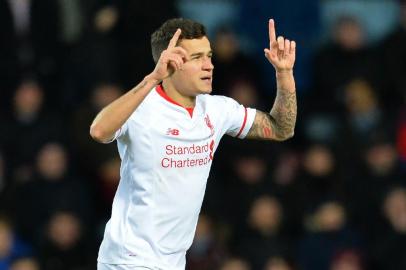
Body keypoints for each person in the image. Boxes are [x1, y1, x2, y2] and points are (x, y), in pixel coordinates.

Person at [90, 18, 297, 270]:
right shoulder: (140, 107)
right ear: (170, 62)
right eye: (197, 57)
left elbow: (280, 129)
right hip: (128, 258)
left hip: (174, 261)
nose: (209, 65)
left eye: (209, 56)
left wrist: (284, 74)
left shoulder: (218, 110)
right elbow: (99, 131)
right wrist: (152, 79)